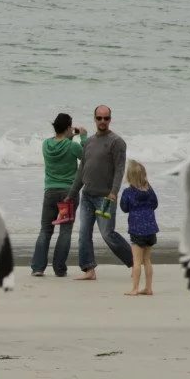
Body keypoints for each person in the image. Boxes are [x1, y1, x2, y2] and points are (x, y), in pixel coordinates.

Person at [66, 105, 134, 279]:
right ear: (94, 119)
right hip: (87, 195)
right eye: (99, 118)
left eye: (106, 118)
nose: (102, 121)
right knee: (83, 234)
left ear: (110, 119)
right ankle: (89, 270)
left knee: (107, 234)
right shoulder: (88, 142)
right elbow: (82, 170)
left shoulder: (117, 142)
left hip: (105, 197)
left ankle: (136, 262)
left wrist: (114, 192)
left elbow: (120, 170)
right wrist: (72, 194)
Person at [31, 113, 88, 278]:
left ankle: (38, 267)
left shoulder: (46, 144)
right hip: (67, 193)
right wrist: (83, 137)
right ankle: (59, 268)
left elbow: (59, 146)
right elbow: (87, 156)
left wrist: (68, 136)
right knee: (65, 230)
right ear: (69, 127)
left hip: (50, 191)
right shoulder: (72, 146)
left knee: (45, 230)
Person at [119, 160, 159, 296]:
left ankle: (135, 288)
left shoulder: (128, 192)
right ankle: (148, 288)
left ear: (129, 177)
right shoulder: (149, 189)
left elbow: (124, 208)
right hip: (151, 228)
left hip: (137, 229)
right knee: (147, 260)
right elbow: (155, 204)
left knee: (137, 261)